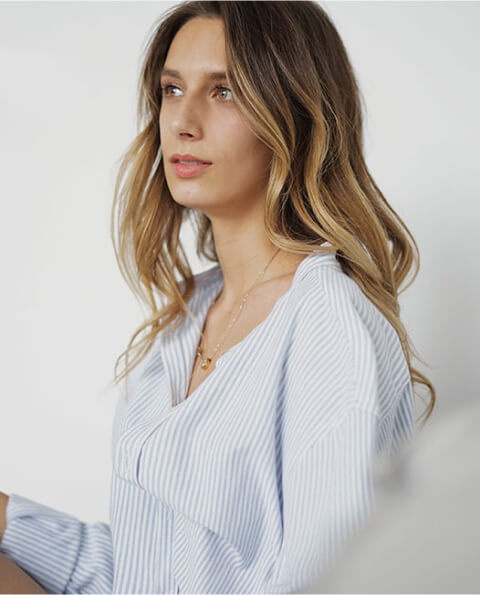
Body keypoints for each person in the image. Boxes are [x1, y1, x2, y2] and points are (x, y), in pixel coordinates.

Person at [0, 2, 436, 593]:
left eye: (224, 91)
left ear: (295, 112)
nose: (182, 121)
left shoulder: (329, 327)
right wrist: (7, 518)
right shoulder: (183, 321)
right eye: (172, 89)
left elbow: (331, 581)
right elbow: (149, 574)